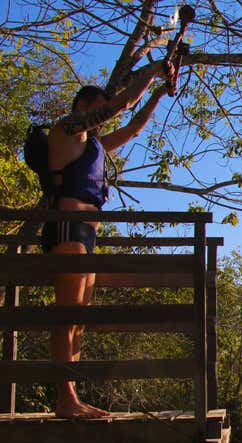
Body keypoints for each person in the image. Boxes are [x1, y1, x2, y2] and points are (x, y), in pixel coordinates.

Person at [45, 61, 174, 419]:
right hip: (67, 226)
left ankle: (71, 395)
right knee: (67, 315)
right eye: (100, 110)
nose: (105, 118)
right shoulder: (66, 129)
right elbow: (122, 107)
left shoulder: (95, 145)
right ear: (83, 107)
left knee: (80, 320)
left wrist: (161, 93)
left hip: (87, 233)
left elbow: (132, 129)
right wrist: (154, 71)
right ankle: (64, 398)